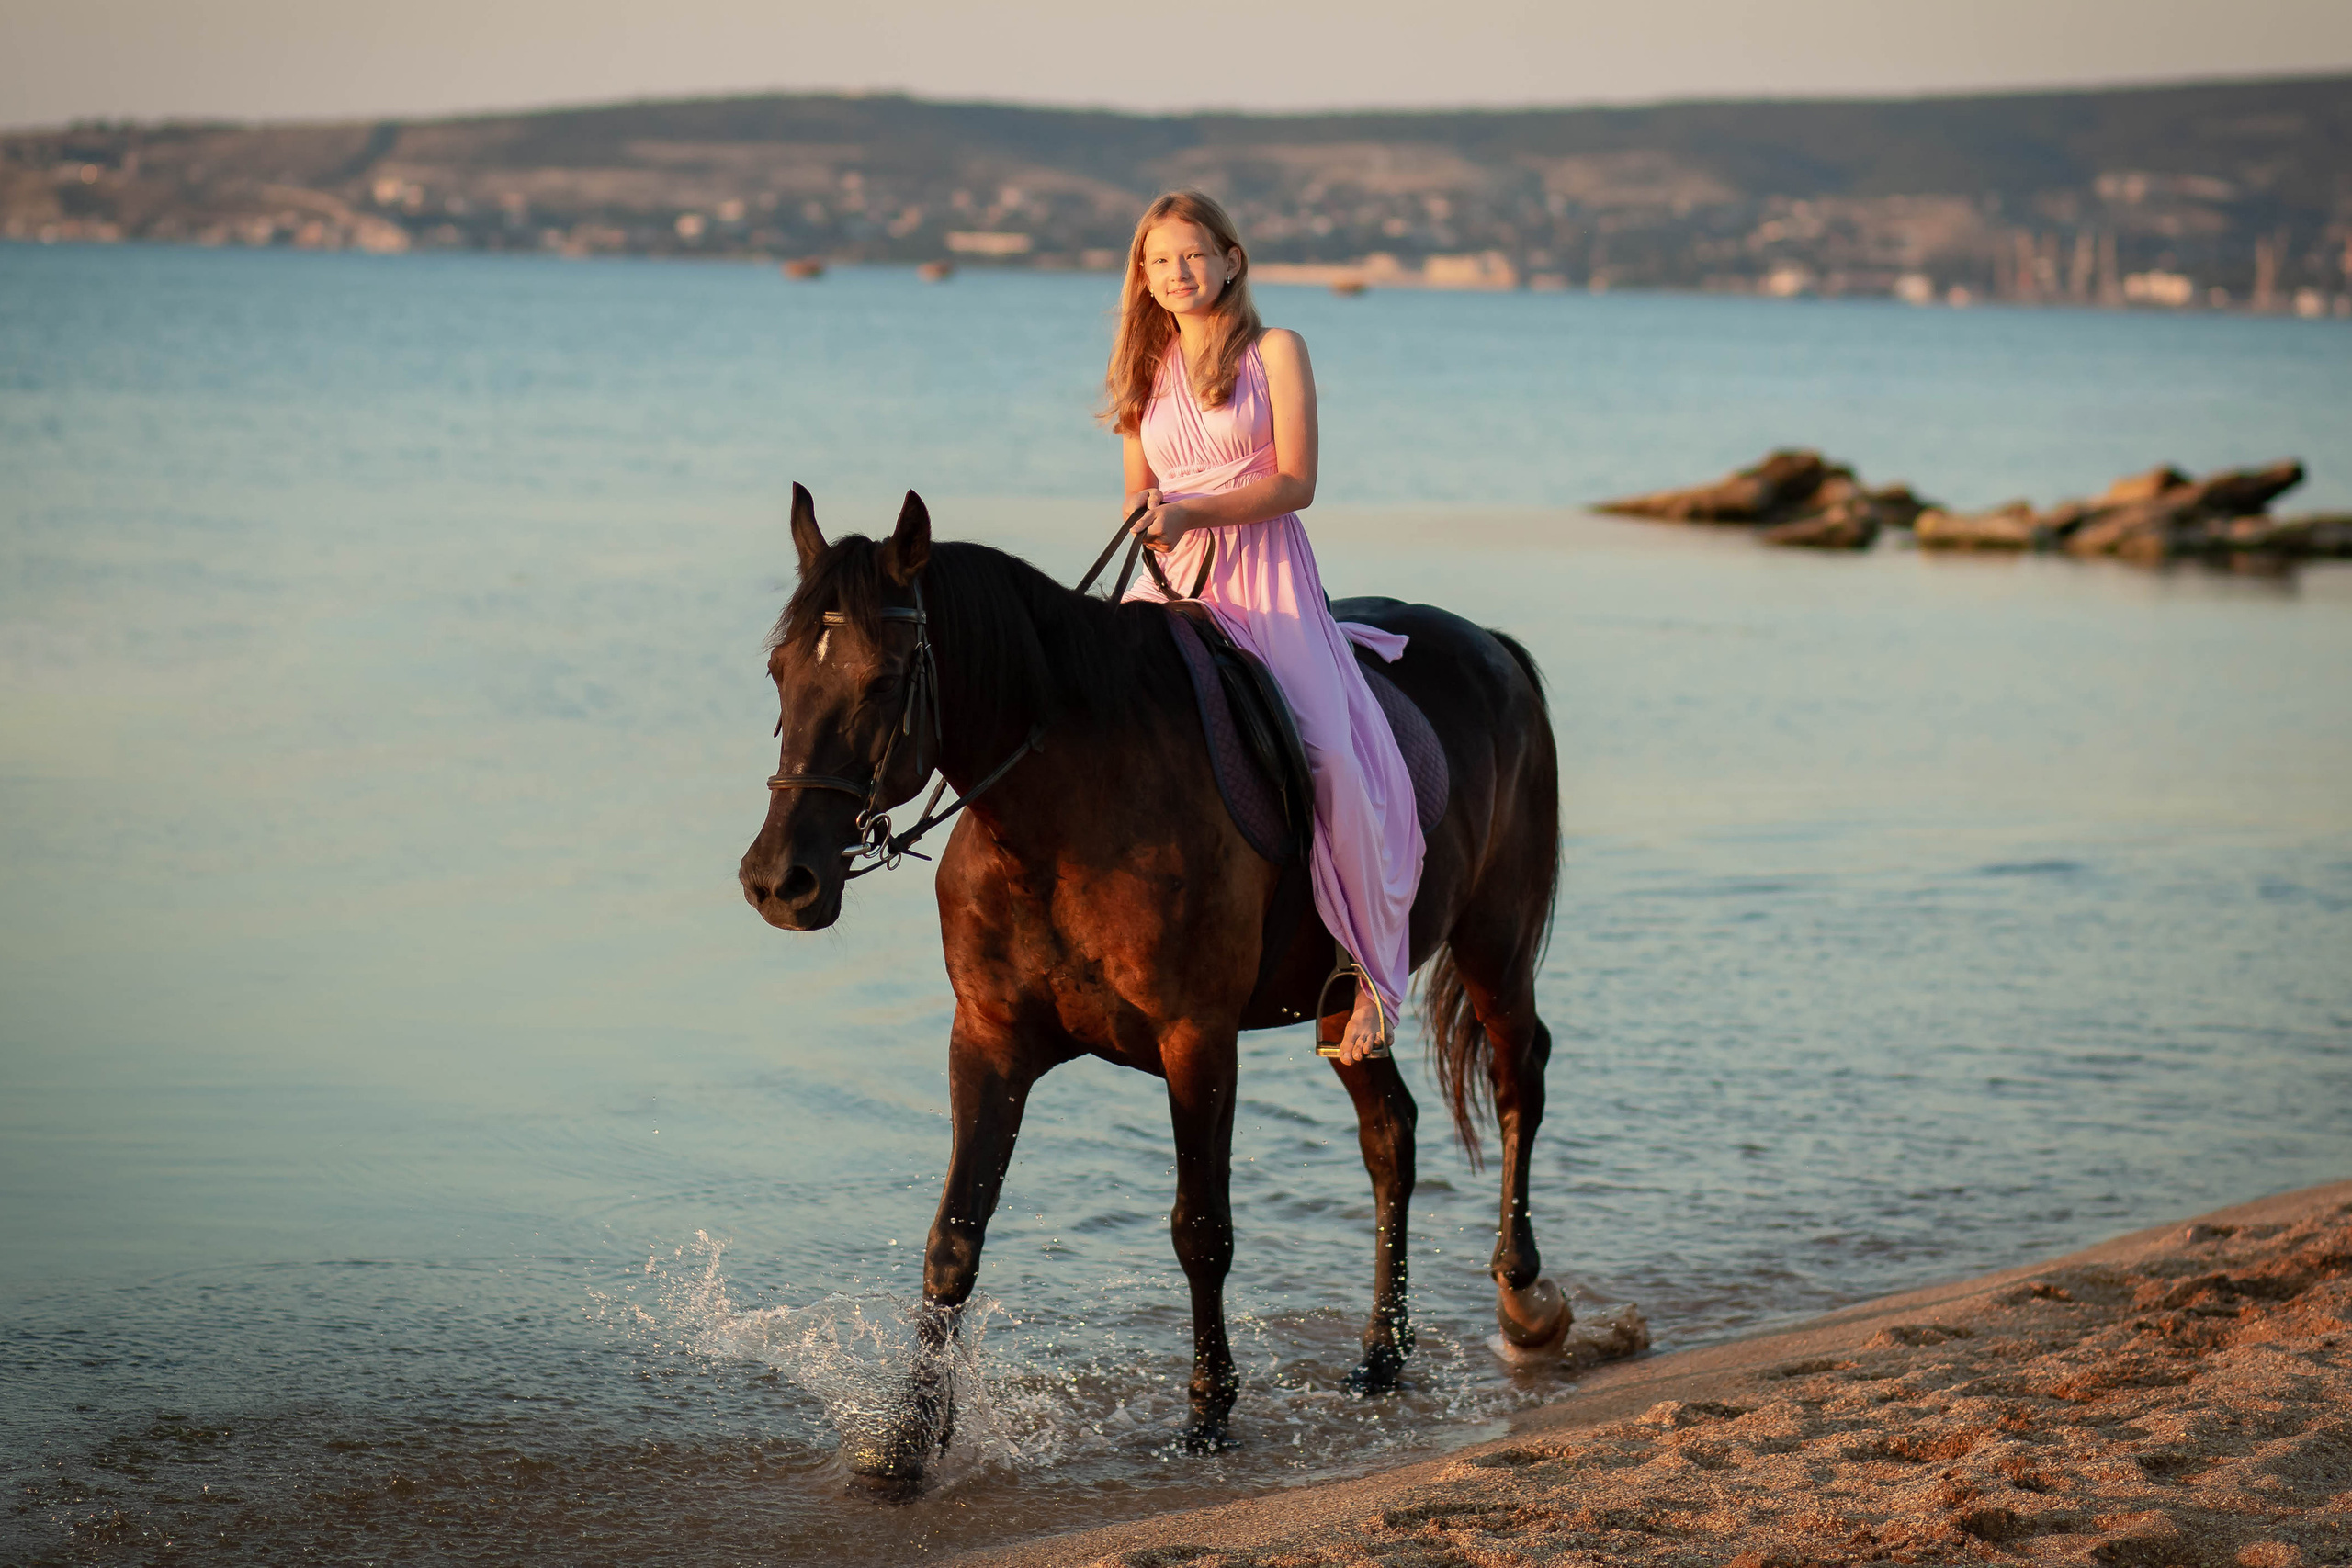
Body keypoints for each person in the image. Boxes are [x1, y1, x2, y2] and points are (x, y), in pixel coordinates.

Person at [1104, 188, 1423, 1066]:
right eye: (1159, 259)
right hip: (1172, 577)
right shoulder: (1143, 366)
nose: (1178, 273)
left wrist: (1193, 508)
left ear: (1232, 259)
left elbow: (1296, 481)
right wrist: (1148, 519)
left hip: (1267, 577)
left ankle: (1370, 974)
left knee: (1333, 760)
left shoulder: (1275, 350)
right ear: (1142, 273)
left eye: (1194, 255)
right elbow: (1138, 487)